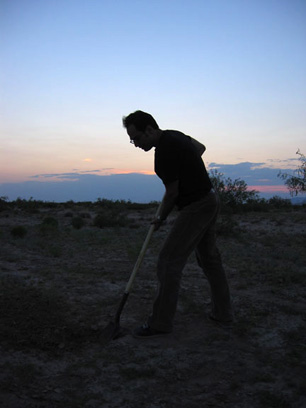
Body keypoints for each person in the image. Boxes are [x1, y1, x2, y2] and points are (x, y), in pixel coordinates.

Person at [122, 110, 233, 338]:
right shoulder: (176, 135)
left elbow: (172, 193)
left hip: (196, 206)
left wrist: (160, 218)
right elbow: (200, 148)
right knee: (210, 260)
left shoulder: (163, 154)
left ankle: (160, 323)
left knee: (168, 261)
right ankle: (223, 313)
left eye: (137, 138)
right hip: (211, 199)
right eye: (132, 140)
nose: (135, 144)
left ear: (150, 130)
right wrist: (188, 168)